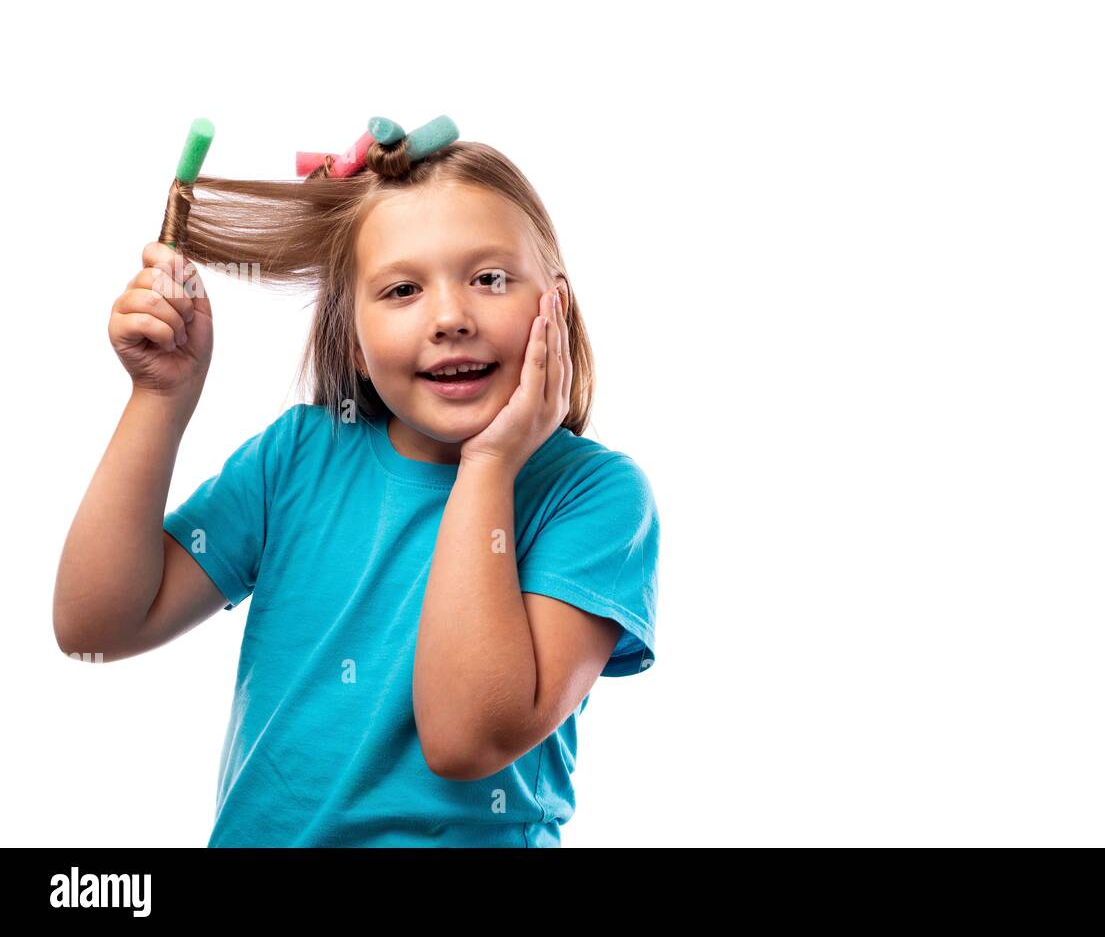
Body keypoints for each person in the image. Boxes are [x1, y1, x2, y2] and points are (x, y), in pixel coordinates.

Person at [53, 120, 660, 847]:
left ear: (555, 305)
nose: (450, 317)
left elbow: (464, 739)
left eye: (489, 279)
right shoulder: (298, 458)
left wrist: (489, 465)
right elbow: (95, 626)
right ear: (351, 336)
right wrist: (160, 399)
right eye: (402, 289)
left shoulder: (595, 497)